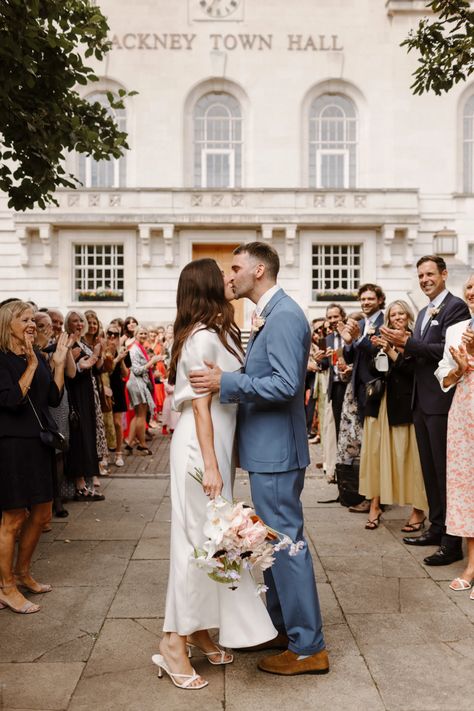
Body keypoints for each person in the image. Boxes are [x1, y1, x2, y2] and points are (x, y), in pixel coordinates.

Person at [190, 242, 328, 677]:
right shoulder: (271, 312)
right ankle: (283, 629)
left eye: (236, 268)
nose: (229, 276)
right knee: (272, 544)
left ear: (260, 270)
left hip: (277, 452)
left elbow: (287, 385)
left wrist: (225, 381)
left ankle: (308, 648)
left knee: (287, 546)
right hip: (269, 449)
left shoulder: (284, 314)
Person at [155, 258, 276, 690]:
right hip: (198, 448)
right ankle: (173, 642)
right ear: (206, 286)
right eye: (221, 275)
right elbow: (202, 407)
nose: (229, 279)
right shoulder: (200, 338)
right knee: (196, 544)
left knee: (214, 545)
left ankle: (201, 630)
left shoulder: (218, 332)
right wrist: (210, 464)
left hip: (216, 446)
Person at [381, 256, 470, 566]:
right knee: (430, 471)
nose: (425, 279)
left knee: (445, 472)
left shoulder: (455, 307)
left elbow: (447, 350)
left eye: (430, 274)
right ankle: (437, 526)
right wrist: (397, 347)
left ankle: (452, 542)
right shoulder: (420, 313)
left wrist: (410, 343)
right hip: (420, 401)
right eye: (420, 275)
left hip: (442, 402)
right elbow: (417, 355)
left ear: (444, 275)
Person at [0, 301, 69, 614]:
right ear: (8, 323)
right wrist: (30, 365)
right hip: (12, 444)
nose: (32, 325)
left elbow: (52, 398)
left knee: (42, 514)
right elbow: (13, 400)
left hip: (39, 442)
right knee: (13, 519)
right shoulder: (2, 358)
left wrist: (57, 361)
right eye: (25, 319)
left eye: (33, 319)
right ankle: (7, 587)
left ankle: (22, 573)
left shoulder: (35, 355)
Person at [359, 301, 427, 530]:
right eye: (393, 314)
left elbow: (412, 371)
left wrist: (392, 351)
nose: (397, 317)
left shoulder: (417, 340)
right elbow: (371, 369)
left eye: (401, 313)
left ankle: (418, 511)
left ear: (408, 316)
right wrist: (378, 350)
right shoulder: (382, 337)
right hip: (380, 403)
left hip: (404, 405)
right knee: (377, 455)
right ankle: (375, 505)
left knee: (408, 458)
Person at [435, 274, 474, 591]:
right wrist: (459, 368)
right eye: (469, 287)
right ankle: (472, 565)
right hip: (463, 412)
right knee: (465, 487)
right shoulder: (456, 330)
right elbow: (443, 375)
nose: (472, 291)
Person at [64, 311, 105, 501]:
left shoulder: (83, 344)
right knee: (79, 437)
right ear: (68, 324)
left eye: (81, 320)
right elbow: (71, 373)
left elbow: (97, 369)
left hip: (89, 395)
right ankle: (80, 486)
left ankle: (85, 483)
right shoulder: (69, 344)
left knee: (88, 435)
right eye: (75, 321)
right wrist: (90, 360)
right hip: (76, 396)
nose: (79, 324)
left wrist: (98, 356)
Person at [342, 284, 386, 425]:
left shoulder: (386, 322)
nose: (365, 302)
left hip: (377, 385)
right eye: (363, 299)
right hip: (358, 386)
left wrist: (359, 338)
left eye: (370, 299)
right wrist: (348, 343)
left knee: (376, 432)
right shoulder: (359, 324)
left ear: (380, 300)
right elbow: (350, 359)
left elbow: (380, 353)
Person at [126, 325, 159, 454]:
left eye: (145, 333)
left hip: (139, 384)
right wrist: (151, 362)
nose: (144, 336)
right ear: (136, 334)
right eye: (141, 334)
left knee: (138, 415)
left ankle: (129, 442)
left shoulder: (140, 348)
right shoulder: (134, 349)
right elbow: (136, 370)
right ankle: (142, 445)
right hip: (136, 384)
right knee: (141, 416)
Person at [320, 303, 348, 439]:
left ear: (343, 316)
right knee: (338, 424)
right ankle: (340, 457)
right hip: (336, 386)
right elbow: (325, 364)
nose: (332, 320)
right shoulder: (327, 339)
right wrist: (320, 359)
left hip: (351, 384)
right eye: (329, 317)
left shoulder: (350, 334)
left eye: (335, 316)